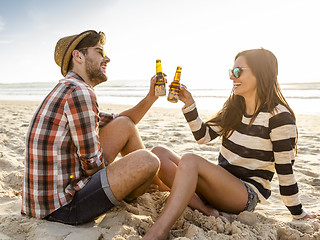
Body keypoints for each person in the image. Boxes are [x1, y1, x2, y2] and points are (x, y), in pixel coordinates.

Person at [143, 48, 318, 240]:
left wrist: (298, 212)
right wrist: (189, 104)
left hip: (244, 194)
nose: (232, 78)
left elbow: (285, 172)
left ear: (260, 73)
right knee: (158, 153)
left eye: (237, 72)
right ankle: (204, 209)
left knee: (190, 160)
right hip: (218, 187)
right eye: (231, 72)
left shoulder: (279, 117)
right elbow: (203, 136)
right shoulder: (235, 108)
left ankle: (157, 233)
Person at [21, 30, 161, 225]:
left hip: (45, 203)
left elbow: (119, 121)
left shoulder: (70, 87)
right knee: (148, 161)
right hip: (63, 208)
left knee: (124, 125)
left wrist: (150, 97)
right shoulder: (80, 92)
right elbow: (92, 165)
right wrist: (125, 173)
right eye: (100, 52)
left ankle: (151, 182)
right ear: (78, 56)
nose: (107, 58)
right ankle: (143, 185)